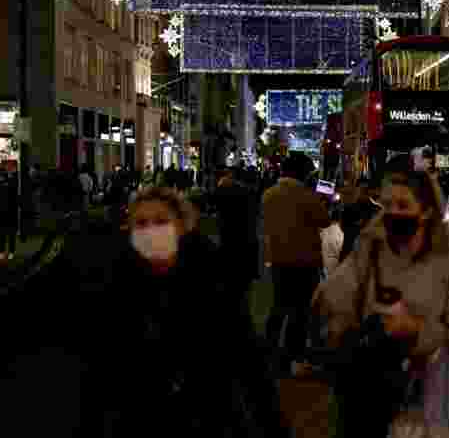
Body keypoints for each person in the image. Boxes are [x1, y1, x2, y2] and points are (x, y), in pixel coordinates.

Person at [76, 188, 290, 438]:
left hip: (205, 411)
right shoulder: (117, 278)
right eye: (142, 223)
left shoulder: (209, 276)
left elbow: (248, 361)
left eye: (161, 221)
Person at [314, 169, 449, 437]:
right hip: (367, 390)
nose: (393, 214)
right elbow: (331, 298)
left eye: (403, 205)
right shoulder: (369, 251)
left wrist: (418, 329)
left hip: (426, 398)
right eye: (387, 205)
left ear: (427, 212)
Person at [262, 152, 331, 374]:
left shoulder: (269, 194)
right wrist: (323, 195)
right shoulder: (306, 195)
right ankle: (294, 356)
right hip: (304, 260)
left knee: (279, 306)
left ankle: (270, 351)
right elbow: (324, 219)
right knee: (300, 311)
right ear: (302, 173)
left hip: (278, 258)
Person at [214, 166, 261, 307]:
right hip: (244, 245)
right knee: (243, 293)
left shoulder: (224, 189)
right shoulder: (248, 193)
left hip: (228, 242)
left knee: (229, 288)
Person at [339, 176, 381, 264]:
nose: (364, 192)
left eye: (366, 189)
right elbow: (345, 230)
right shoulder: (348, 209)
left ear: (370, 191)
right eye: (362, 189)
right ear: (357, 189)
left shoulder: (378, 210)